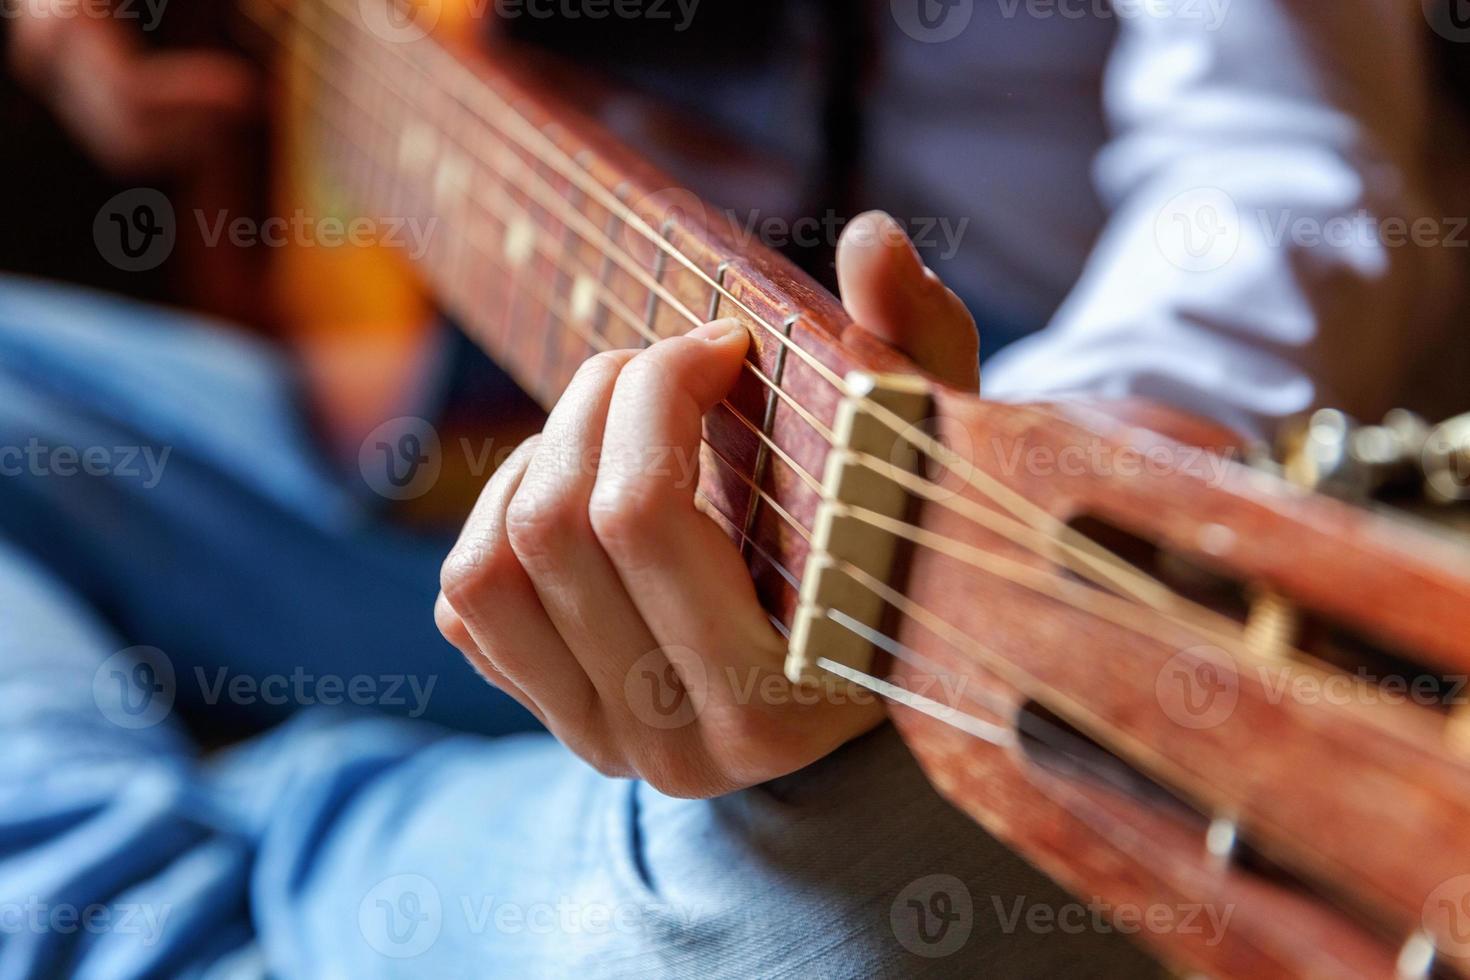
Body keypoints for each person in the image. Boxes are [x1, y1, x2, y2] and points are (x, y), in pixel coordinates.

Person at [1, 1, 1464, 975]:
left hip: (929, 534)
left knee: (901, 862)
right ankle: (332, 867)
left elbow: (1287, 171)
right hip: (449, 465)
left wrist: (1035, 455)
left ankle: (252, 835)